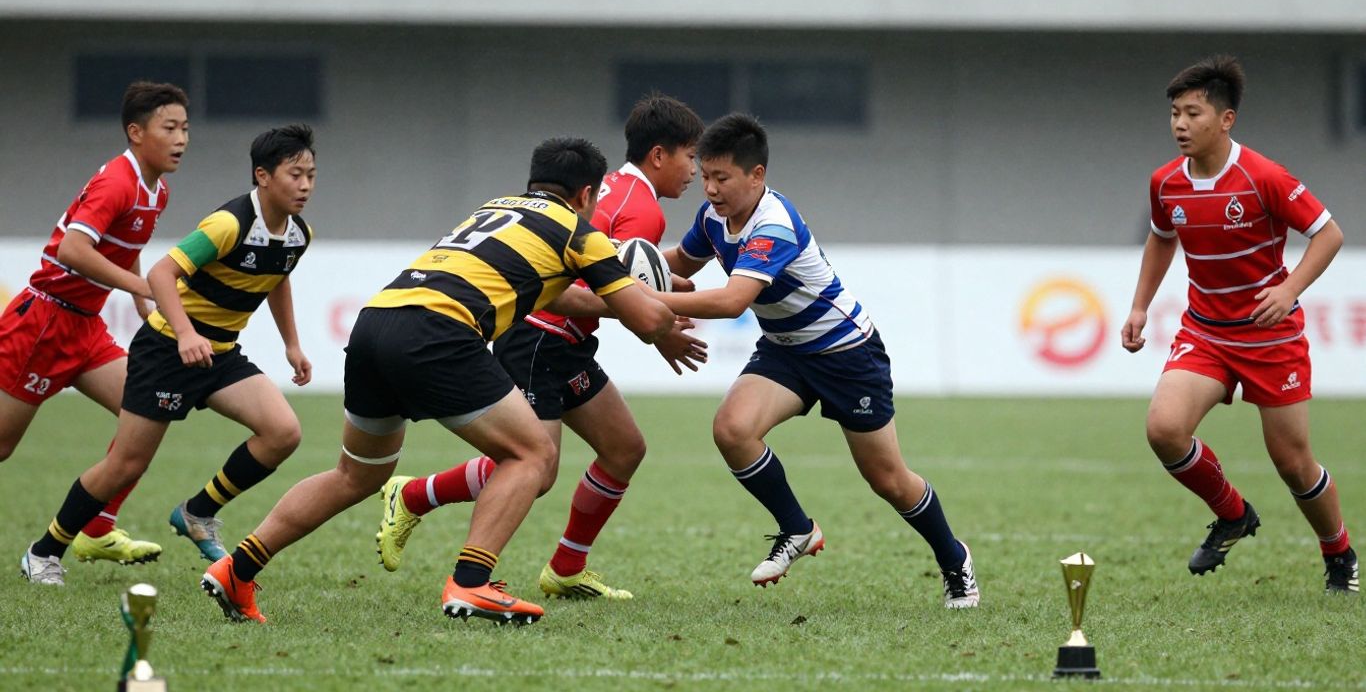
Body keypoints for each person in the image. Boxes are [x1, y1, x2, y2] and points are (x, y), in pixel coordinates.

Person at [203, 137, 675, 625]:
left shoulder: (495, 208)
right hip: (439, 333)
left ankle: (237, 569)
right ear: (587, 195)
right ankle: (471, 584)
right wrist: (668, 313)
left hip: (375, 323)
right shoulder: (578, 231)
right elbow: (646, 319)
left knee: (356, 474)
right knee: (533, 454)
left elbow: (557, 297)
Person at [605, 113, 978, 607]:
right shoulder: (713, 217)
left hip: (846, 353)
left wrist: (639, 301)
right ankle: (797, 529)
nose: (710, 188)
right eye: (707, 175)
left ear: (756, 175)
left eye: (723, 178)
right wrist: (614, 263)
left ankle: (955, 561)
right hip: (785, 350)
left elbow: (731, 301)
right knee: (731, 430)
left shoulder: (773, 225)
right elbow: (678, 264)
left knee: (887, 480)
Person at [373, 94, 708, 602]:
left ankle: (567, 568)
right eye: (690, 156)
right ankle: (415, 496)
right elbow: (596, 287)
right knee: (537, 468)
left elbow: (618, 273)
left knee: (624, 449)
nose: (694, 170)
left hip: (564, 343)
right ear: (659, 156)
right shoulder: (641, 212)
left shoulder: (615, 192)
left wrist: (661, 304)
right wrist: (656, 327)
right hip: (537, 338)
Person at [20, 125, 317, 586]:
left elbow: (278, 278)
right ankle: (44, 551)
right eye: (294, 174)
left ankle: (197, 512)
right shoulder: (228, 224)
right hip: (166, 350)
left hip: (218, 354)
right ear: (262, 176)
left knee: (282, 431)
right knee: (127, 464)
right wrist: (183, 334)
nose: (304, 186)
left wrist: (291, 344)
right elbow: (161, 273)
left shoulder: (298, 233)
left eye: (311, 175)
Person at [1122, 55, 1356, 594]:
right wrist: (1139, 306)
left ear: (1225, 120)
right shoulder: (1166, 182)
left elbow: (1329, 235)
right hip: (1205, 331)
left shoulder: (1264, 176)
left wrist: (1289, 288)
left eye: (1193, 113)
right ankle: (1233, 514)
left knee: (1293, 463)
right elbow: (1162, 238)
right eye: (1175, 113)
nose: (1180, 124)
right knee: (1164, 429)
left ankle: (1338, 553)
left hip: (1271, 337)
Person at [1, 81, 189, 568]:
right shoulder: (116, 181)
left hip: (86, 328)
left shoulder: (157, 190)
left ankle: (97, 529)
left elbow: (123, 248)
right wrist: (143, 285)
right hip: (43, 321)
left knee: (148, 412)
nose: (181, 138)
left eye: (185, 128)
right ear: (135, 132)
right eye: (169, 127)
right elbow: (71, 250)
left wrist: (135, 292)